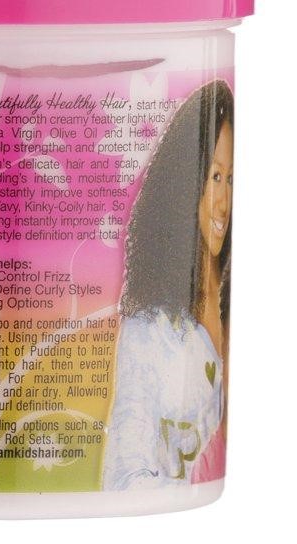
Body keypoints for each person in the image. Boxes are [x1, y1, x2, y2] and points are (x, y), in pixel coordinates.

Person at [103, 80, 233, 490]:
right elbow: (127, 469)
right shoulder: (151, 329)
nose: (224, 201)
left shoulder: (234, 298)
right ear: (185, 178)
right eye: (215, 176)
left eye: (231, 179)